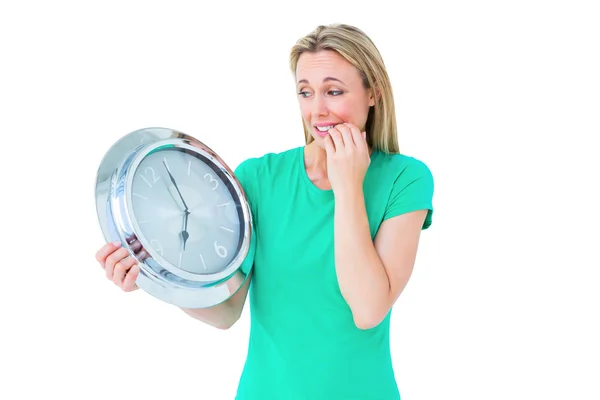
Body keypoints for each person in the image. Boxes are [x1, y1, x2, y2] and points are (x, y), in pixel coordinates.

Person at [95, 23, 434, 400]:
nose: (317, 110)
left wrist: (349, 185)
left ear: (374, 94)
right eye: (305, 92)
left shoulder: (406, 179)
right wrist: (153, 277)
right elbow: (227, 312)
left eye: (333, 91)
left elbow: (368, 309)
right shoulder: (258, 178)